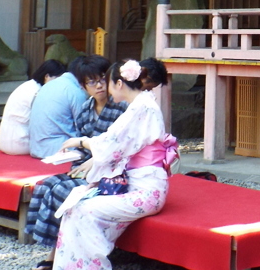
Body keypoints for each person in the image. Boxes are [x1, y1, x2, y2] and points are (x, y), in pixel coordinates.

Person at [53, 59, 176, 270]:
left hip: (145, 189)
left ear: (119, 84)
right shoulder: (140, 105)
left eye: (108, 82)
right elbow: (116, 143)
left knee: (83, 210)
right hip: (137, 183)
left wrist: (82, 141)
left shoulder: (141, 109)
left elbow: (112, 143)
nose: (106, 89)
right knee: (75, 208)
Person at [26, 56, 129, 269]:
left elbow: (124, 146)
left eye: (102, 79)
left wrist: (95, 160)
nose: (99, 85)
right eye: (92, 82)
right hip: (86, 167)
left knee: (62, 191)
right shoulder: (85, 110)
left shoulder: (122, 108)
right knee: (46, 186)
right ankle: (58, 251)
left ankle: (53, 258)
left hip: (113, 171)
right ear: (83, 86)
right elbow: (82, 146)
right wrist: (70, 157)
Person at [0, 60, 67, 155]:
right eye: (57, 79)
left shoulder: (28, 85)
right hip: (21, 142)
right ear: (47, 77)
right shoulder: (38, 92)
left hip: (6, 139)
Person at [28, 56, 89, 159]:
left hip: (36, 148)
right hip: (60, 151)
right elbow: (84, 127)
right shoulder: (75, 91)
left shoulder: (48, 85)